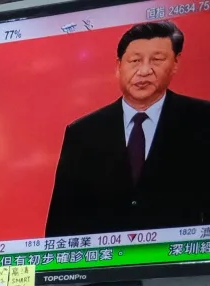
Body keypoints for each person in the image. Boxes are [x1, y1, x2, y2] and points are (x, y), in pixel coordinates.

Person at [44, 22, 210, 238]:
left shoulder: (203, 119)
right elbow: (61, 223)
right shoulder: (83, 133)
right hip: (103, 266)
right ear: (119, 65)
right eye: (134, 61)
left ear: (175, 63)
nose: (144, 71)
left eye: (157, 60)